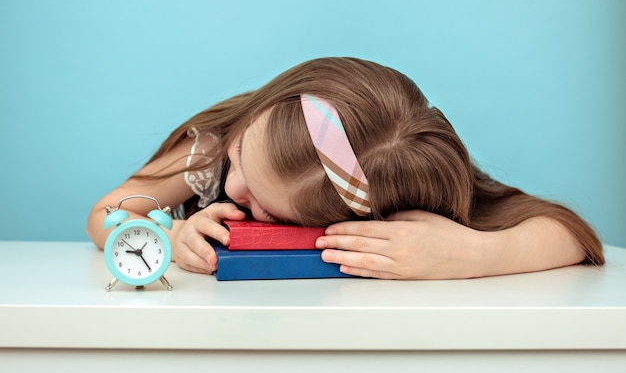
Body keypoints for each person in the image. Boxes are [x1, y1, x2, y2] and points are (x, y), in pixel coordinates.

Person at [86, 57, 605, 279]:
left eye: (258, 207)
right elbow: (104, 213)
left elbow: (572, 237)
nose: (233, 183)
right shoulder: (213, 146)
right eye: (242, 157)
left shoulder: (397, 185)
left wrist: (475, 253)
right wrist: (170, 237)